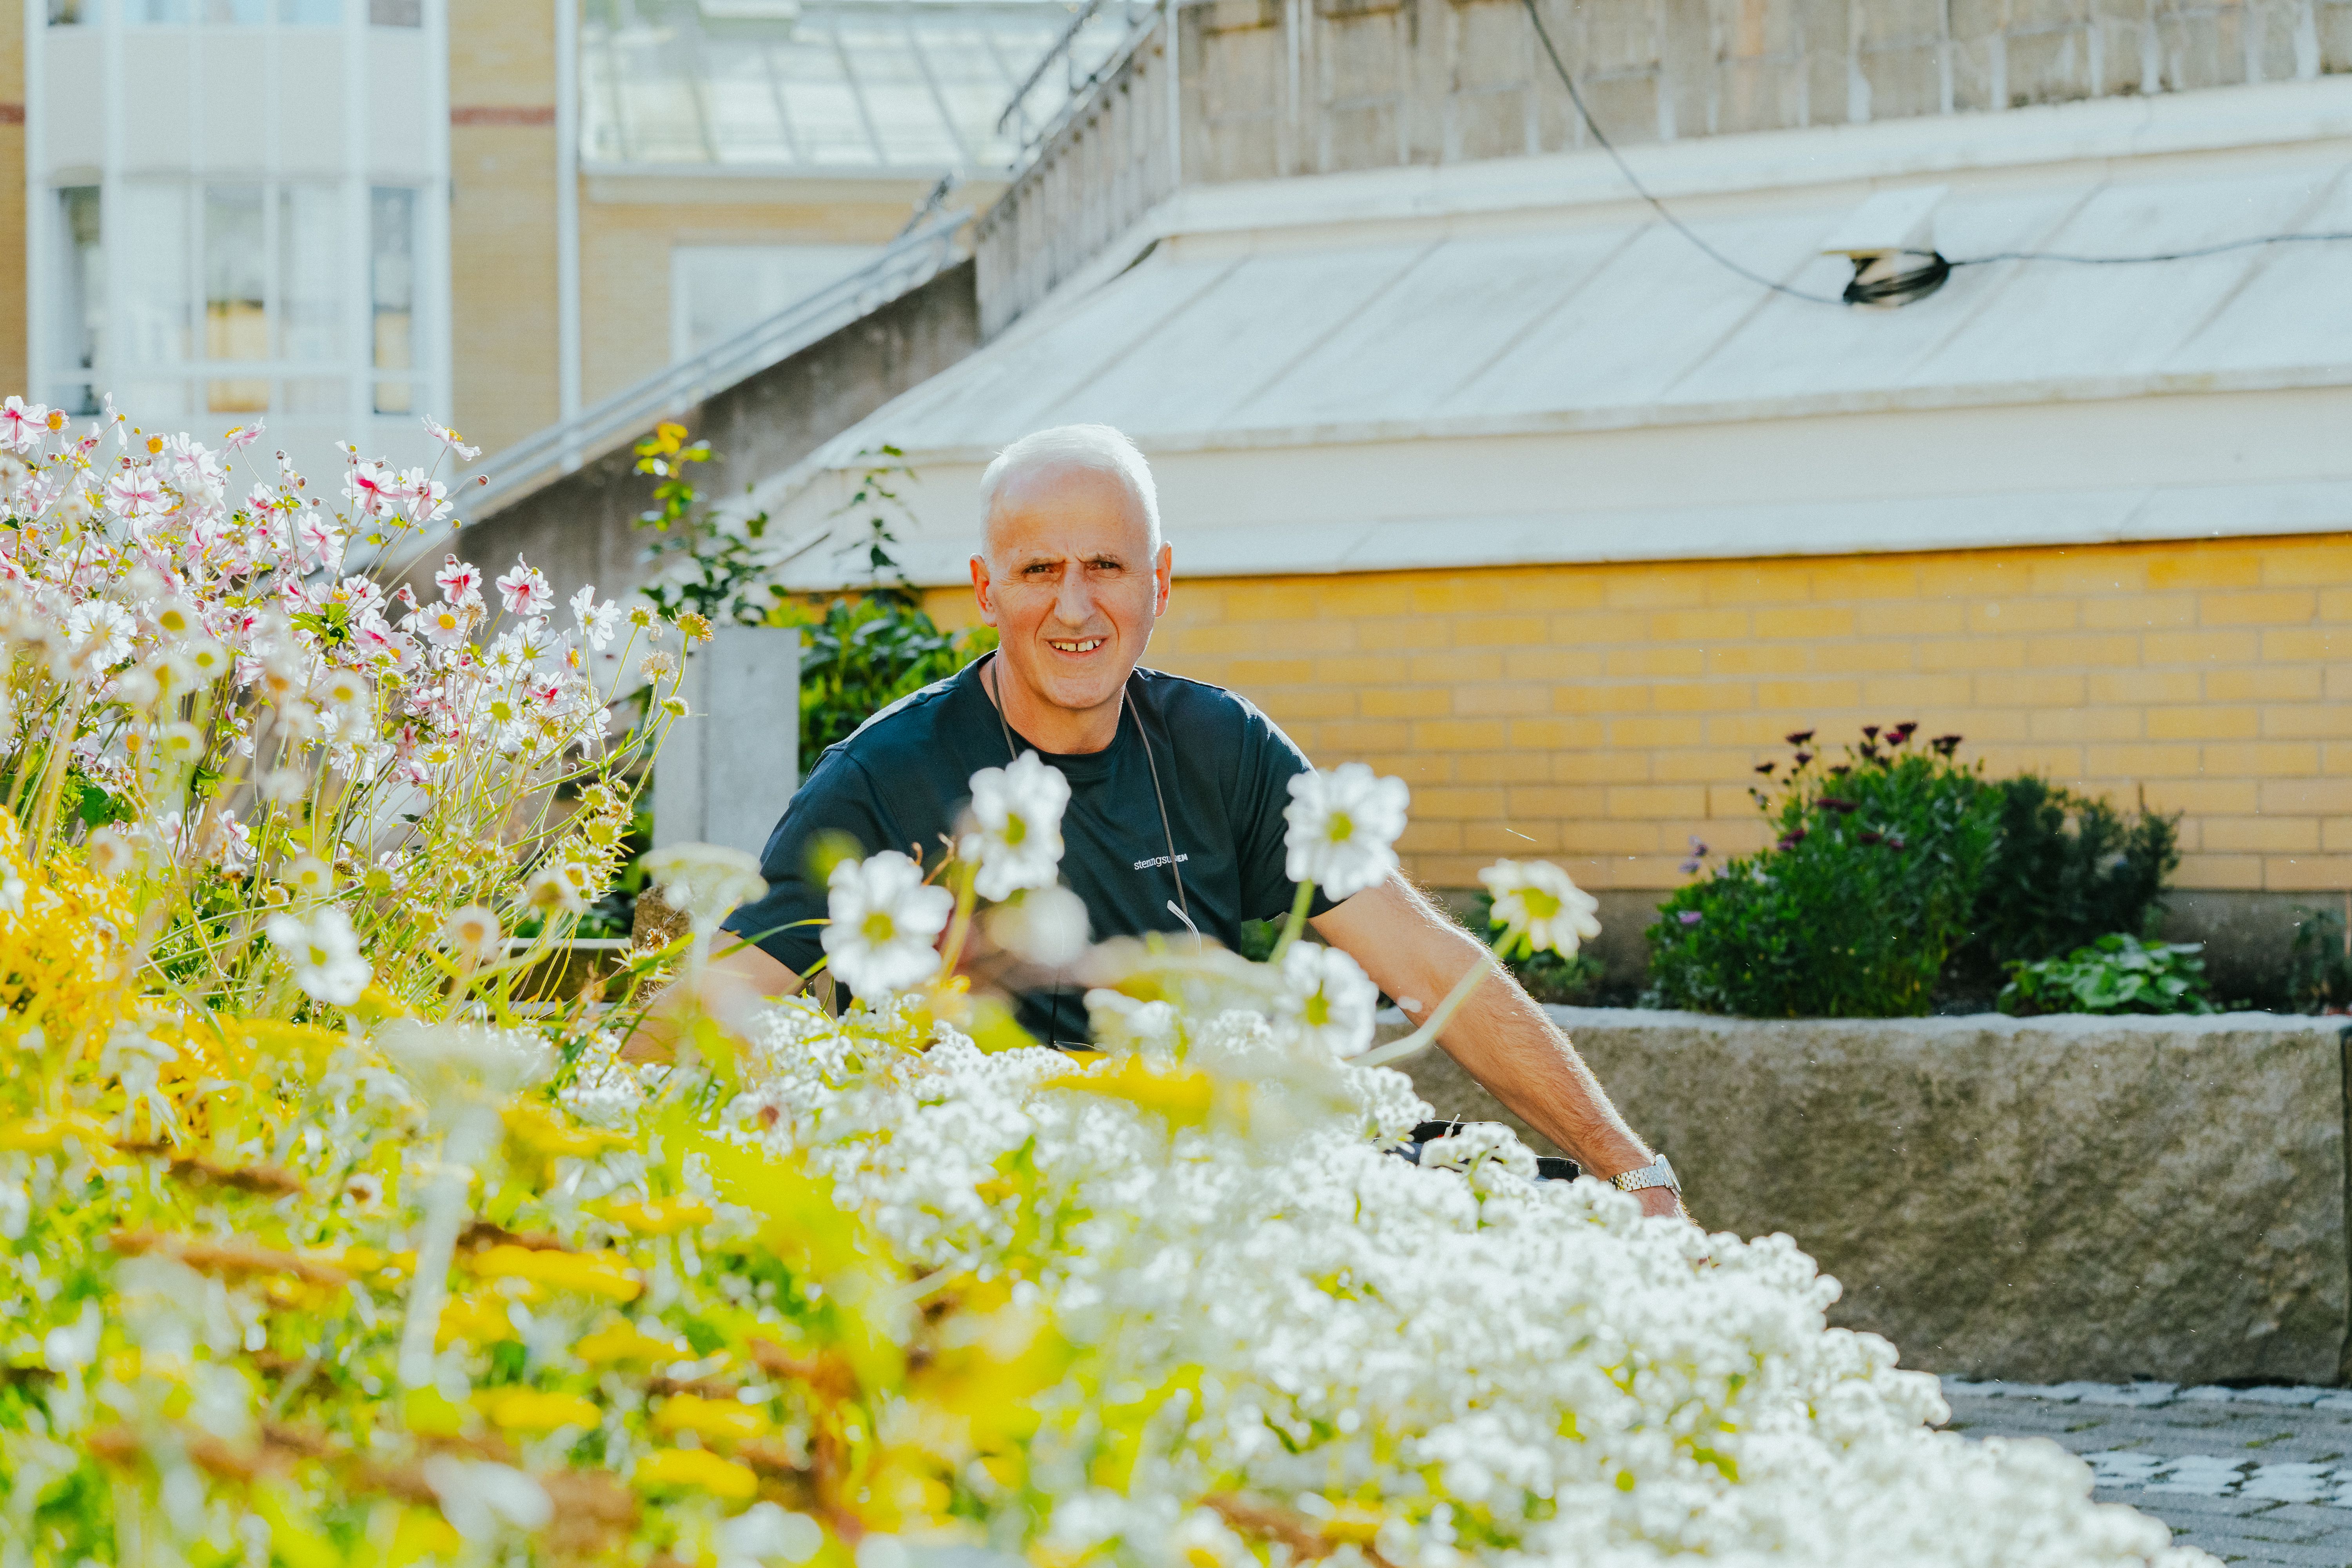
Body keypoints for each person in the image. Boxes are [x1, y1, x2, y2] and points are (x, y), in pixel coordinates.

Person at [645, 424, 1682, 1218]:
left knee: (1553, 1220)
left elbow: (1425, 963)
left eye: (1106, 567)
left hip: (1242, 1176)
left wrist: (1635, 1171)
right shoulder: (887, 776)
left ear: (1161, 582)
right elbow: (719, 999)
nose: (1075, 607)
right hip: (1017, 1211)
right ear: (985, 590)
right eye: (1039, 570)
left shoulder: (1221, 745)